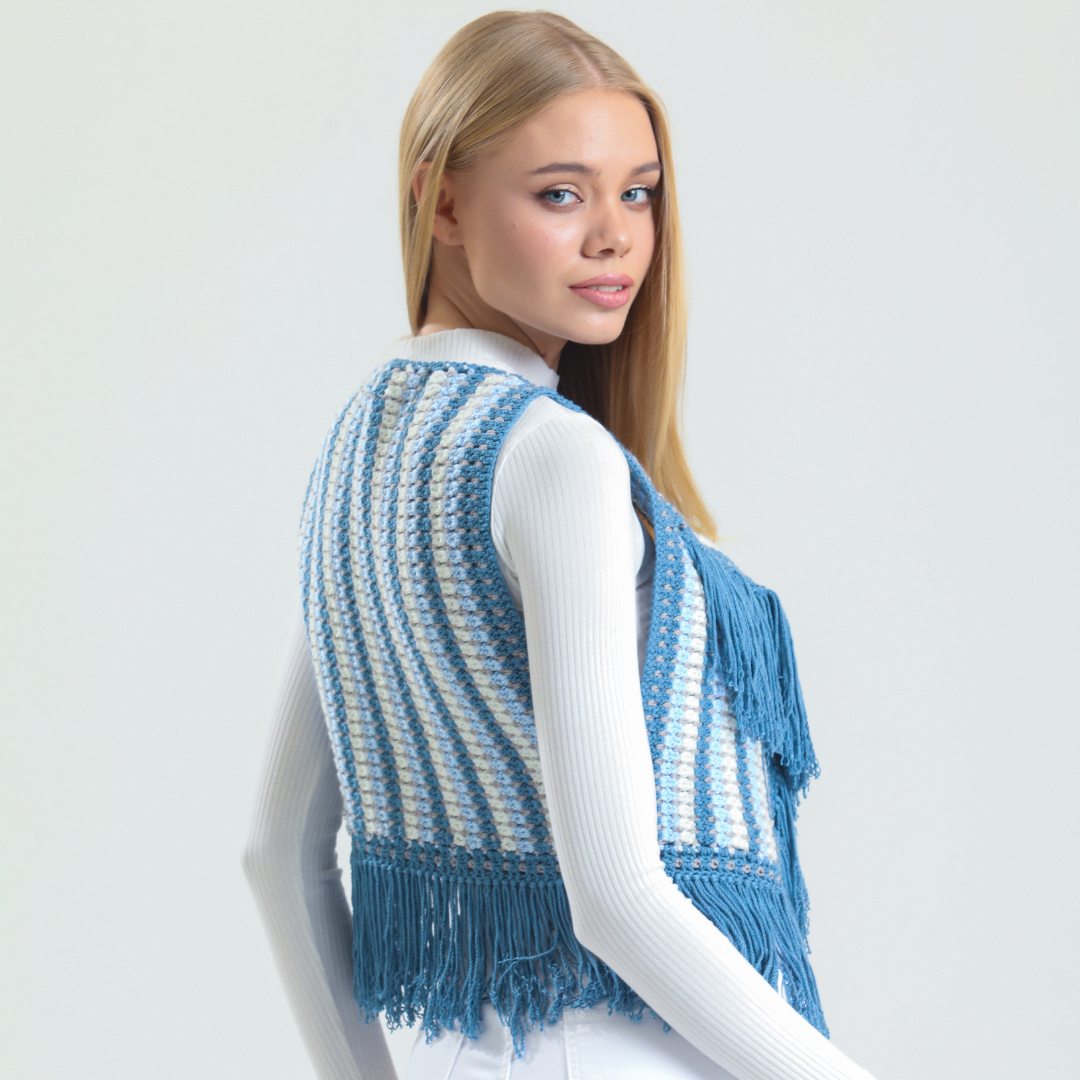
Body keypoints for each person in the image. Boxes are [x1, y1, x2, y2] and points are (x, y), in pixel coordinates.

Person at [244, 11, 875, 1080]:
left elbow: (275, 853)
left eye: (640, 192)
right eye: (561, 194)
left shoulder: (357, 451)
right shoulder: (551, 455)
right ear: (442, 201)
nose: (616, 236)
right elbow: (617, 897)